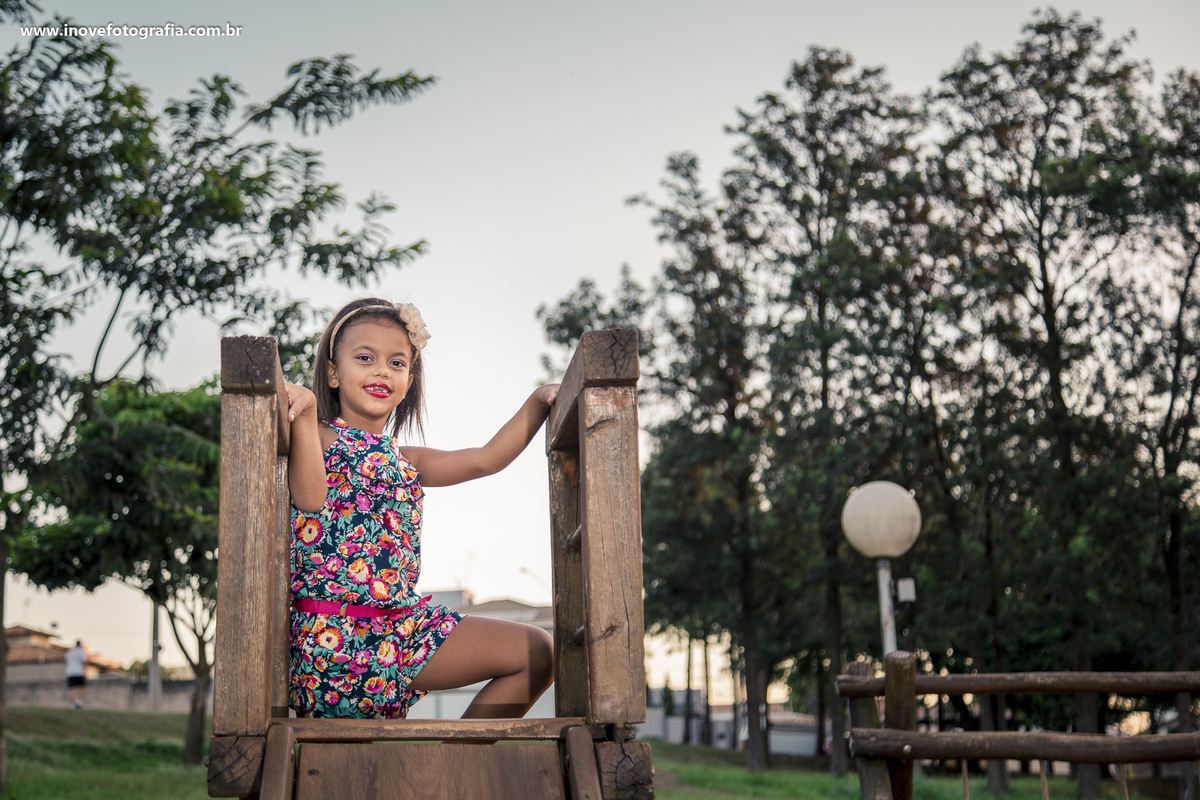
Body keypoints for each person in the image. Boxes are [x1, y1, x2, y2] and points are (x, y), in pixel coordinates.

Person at [284, 298, 557, 721]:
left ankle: (459, 758)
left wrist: (539, 401)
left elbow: (485, 459)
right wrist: (304, 413)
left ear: (408, 381)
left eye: (396, 363)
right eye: (365, 358)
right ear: (333, 373)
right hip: (331, 639)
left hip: (402, 632)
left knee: (537, 651)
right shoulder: (317, 436)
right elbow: (310, 498)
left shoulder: (408, 460)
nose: (381, 371)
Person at [64, 639, 88, 708]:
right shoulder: (81, 652)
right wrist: (85, 671)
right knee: (83, 687)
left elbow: (66, 662)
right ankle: (79, 702)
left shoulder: (69, 652)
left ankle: (72, 704)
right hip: (79, 672)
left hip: (70, 672)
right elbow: (84, 662)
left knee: (71, 689)